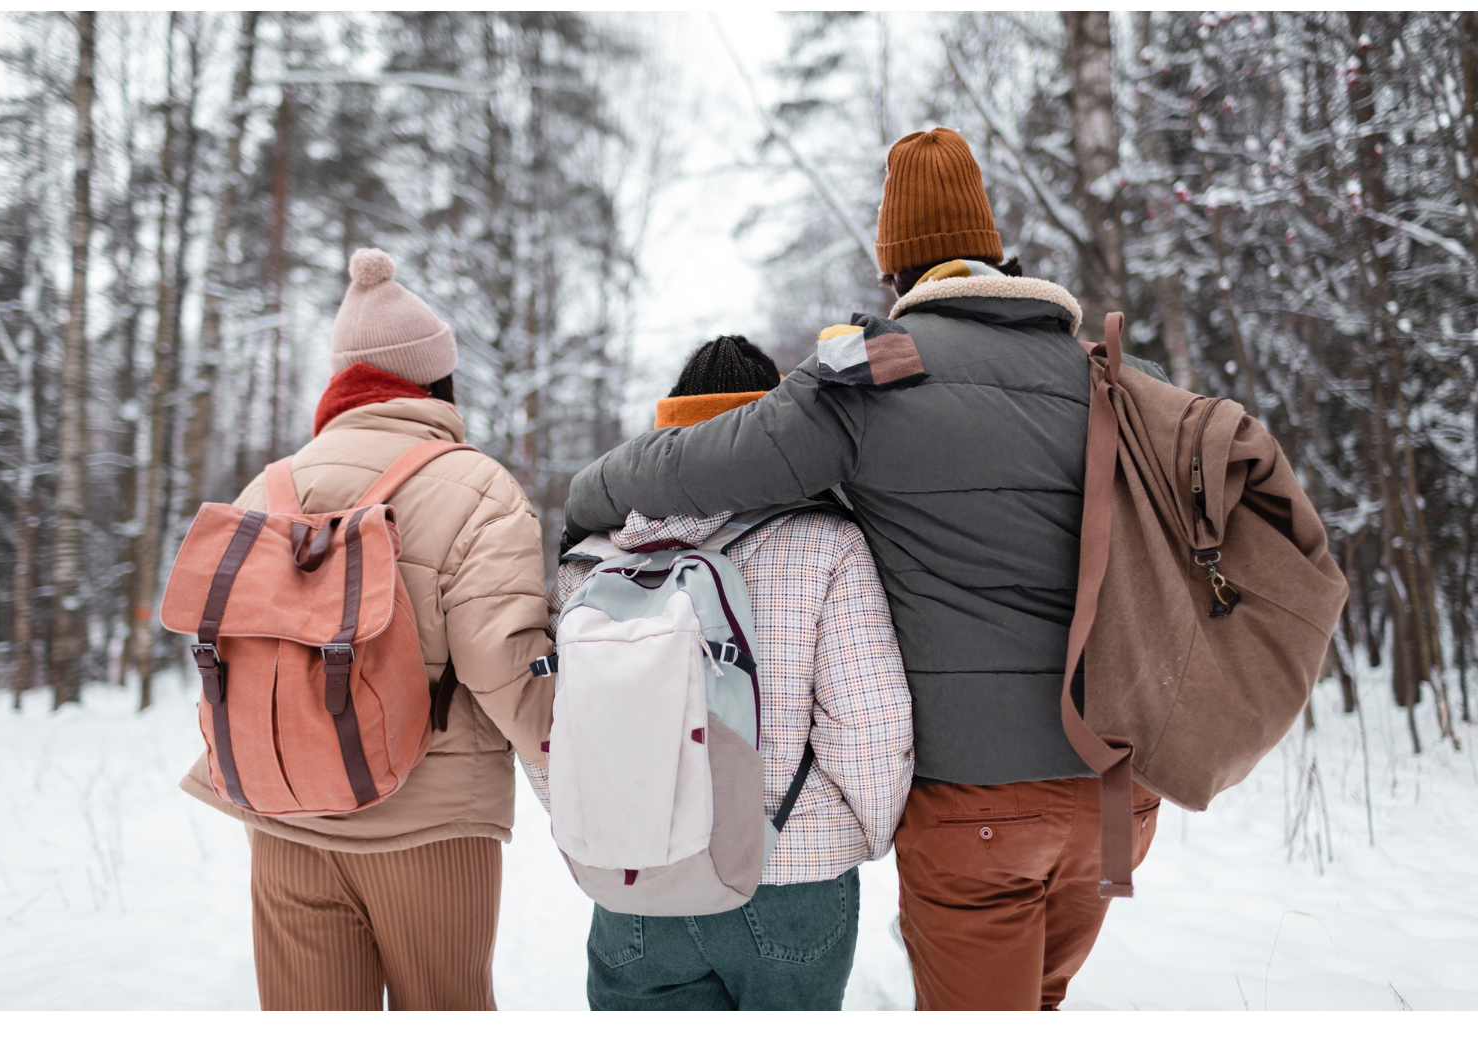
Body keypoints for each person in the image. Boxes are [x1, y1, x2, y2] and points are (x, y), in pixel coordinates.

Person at [561, 129, 1168, 1011]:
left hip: (977, 805)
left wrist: (593, 494)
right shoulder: (1116, 378)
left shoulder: (878, 373)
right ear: (996, 254)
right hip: (1118, 799)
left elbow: (709, 462)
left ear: (894, 268)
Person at [179, 248, 554, 1011]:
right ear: (436, 380)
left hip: (281, 815)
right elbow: (501, 660)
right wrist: (580, 761)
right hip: (427, 824)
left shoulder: (266, 487)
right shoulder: (475, 484)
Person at [526, 335, 914, 1011]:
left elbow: (550, 725)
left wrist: (595, 819)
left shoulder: (588, 559)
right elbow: (869, 723)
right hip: (791, 873)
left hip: (637, 871)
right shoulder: (826, 541)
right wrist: (856, 836)